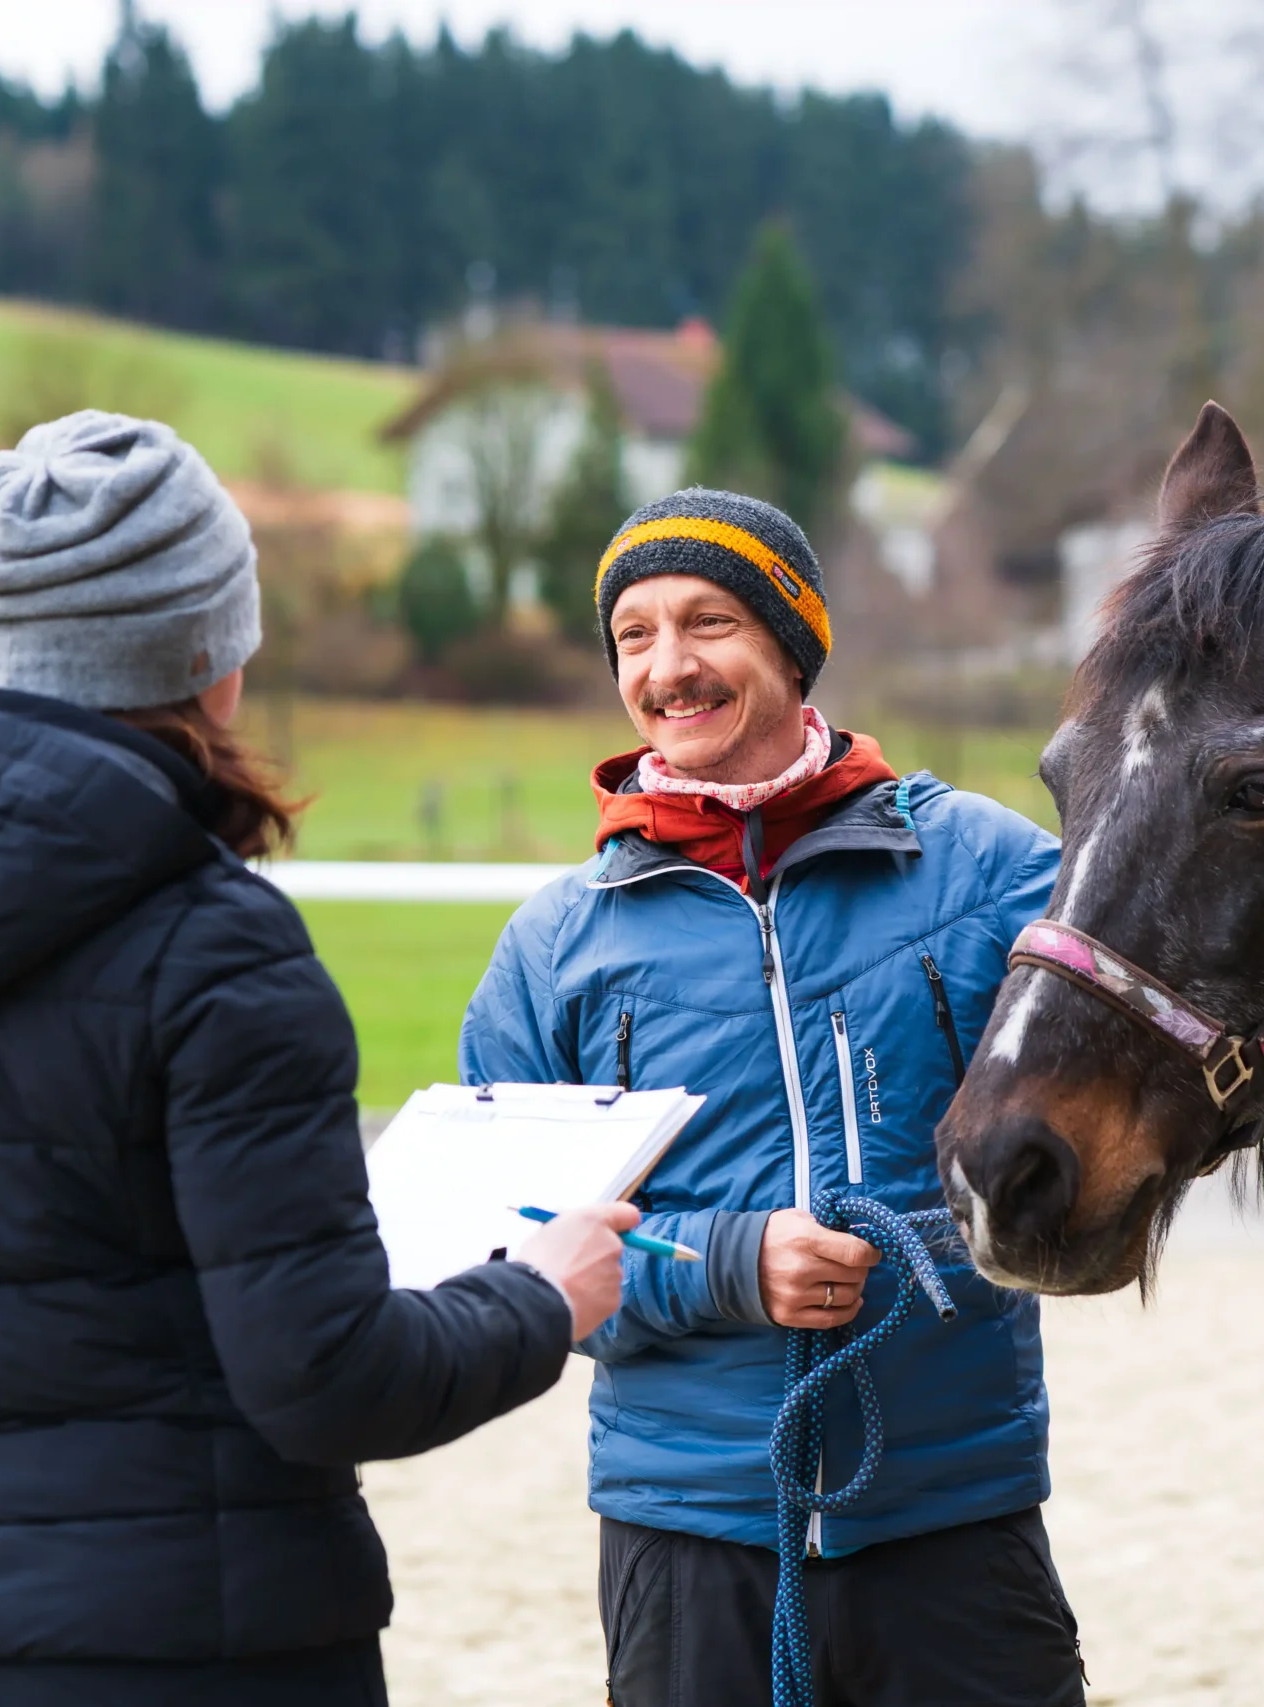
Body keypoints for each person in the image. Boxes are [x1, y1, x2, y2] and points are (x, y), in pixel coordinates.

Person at [0, 410, 637, 1707]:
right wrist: (541, 1294)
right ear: (218, 646)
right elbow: (328, 1379)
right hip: (231, 1645)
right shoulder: (216, 942)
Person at [459, 488, 1082, 1705]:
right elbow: (506, 1247)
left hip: (952, 1512)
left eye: (708, 623)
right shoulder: (555, 947)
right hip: (689, 1528)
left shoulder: (991, 870)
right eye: (634, 636)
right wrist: (729, 1266)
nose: (668, 667)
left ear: (792, 646)